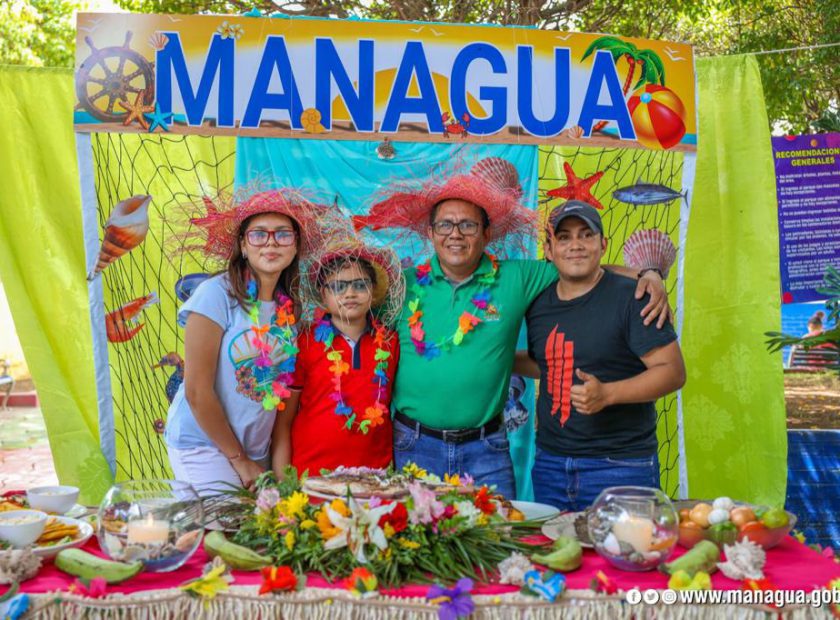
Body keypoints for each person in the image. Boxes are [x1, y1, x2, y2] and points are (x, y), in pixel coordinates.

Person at [355, 158, 672, 499]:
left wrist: (647, 274)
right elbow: (353, 321)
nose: (456, 235)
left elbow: (580, 266)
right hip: (414, 445)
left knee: (497, 545)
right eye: (445, 226)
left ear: (487, 233)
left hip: (485, 450)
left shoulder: (518, 277)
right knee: (419, 544)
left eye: (468, 225)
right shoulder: (402, 287)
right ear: (430, 233)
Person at [164, 188, 344, 496]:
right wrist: (239, 459)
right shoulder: (215, 294)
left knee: (262, 535)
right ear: (243, 246)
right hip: (206, 445)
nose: (271, 242)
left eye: (283, 234)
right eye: (259, 234)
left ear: (295, 246)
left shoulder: (291, 307)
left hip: (256, 450)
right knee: (224, 533)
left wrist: (266, 459)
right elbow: (196, 391)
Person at [516, 200, 686, 510]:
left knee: (627, 557)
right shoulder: (537, 300)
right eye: (564, 237)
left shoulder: (635, 297)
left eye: (586, 235)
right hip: (551, 465)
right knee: (559, 556)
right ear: (549, 249)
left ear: (603, 244)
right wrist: (500, 360)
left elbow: (672, 371)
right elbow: (550, 363)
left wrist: (608, 393)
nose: (576, 245)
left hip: (620, 466)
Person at [272, 239, 403, 475]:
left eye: (360, 285)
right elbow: (283, 422)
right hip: (312, 474)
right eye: (338, 287)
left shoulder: (391, 343)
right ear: (323, 295)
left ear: (373, 292)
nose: (350, 293)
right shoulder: (305, 342)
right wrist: (283, 483)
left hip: (375, 476)